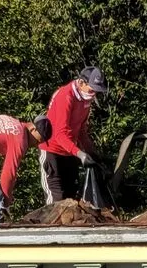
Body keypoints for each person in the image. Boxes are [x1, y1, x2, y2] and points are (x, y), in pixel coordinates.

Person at [38, 66, 108, 204]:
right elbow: (60, 134)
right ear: (81, 83)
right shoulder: (66, 96)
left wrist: (92, 153)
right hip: (53, 151)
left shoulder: (85, 99)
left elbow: (81, 130)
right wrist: (80, 154)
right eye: (92, 89)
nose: (93, 94)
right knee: (56, 201)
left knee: (72, 200)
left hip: (69, 152)